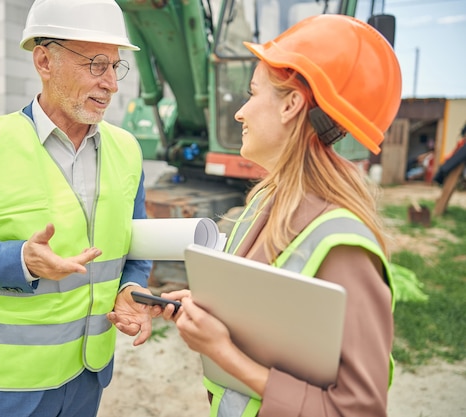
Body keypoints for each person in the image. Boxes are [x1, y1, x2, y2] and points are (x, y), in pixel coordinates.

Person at [0, 1, 154, 416]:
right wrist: (21, 260)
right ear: (44, 61)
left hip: (88, 376)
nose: (111, 84)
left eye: (115, 67)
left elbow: (135, 243)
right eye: (96, 65)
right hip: (8, 388)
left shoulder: (128, 150)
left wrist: (130, 288)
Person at [159, 14, 401, 417]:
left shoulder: (343, 244)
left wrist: (221, 351)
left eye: (252, 94)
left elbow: (357, 409)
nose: (240, 112)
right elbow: (272, 326)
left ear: (291, 105)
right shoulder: (264, 201)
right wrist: (205, 310)